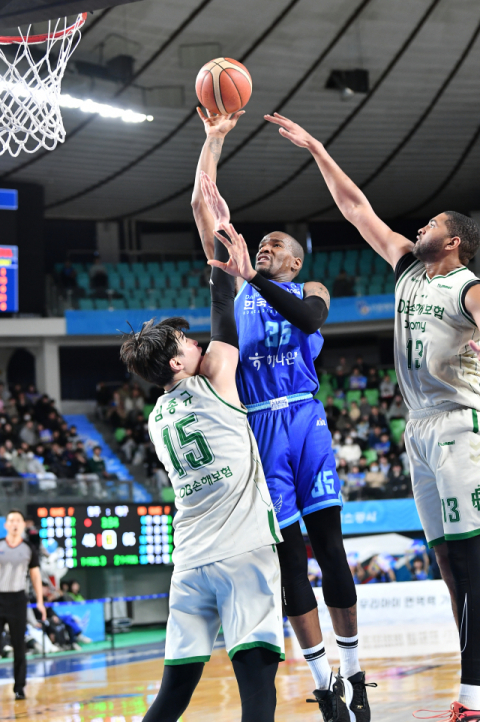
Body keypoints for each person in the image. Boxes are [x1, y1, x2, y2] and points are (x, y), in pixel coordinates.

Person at [266, 109, 480, 718]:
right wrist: (315, 148)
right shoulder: (410, 269)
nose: (421, 225)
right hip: (417, 430)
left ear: (455, 240)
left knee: (469, 559)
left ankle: (473, 696)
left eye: (433, 223)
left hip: (461, 425)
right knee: (446, 564)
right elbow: (356, 207)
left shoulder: (469, 286)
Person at [194, 120, 369, 720]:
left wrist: (255, 275)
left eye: (275, 245)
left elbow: (308, 318)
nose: (263, 246)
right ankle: (325, 687)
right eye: (259, 243)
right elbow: (201, 201)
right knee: (292, 560)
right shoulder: (231, 286)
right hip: (261, 429)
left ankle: (356, 676)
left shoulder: (308, 289)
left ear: (294, 261)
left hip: (305, 419)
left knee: (333, 551)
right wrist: (215, 137)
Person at [119, 216, 284, 722]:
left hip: (189, 561)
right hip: (243, 549)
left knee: (171, 695)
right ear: (176, 364)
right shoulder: (213, 379)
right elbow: (221, 303)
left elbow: (214, 318)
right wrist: (218, 235)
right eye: (188, 344)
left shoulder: (154, 418)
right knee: (256, 685)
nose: (199, 344)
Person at [0, 509, 46, 699]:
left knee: (19, 645)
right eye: (11, 520)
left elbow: (35, 576)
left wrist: (40, 603)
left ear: (22, 525)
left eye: (18, 520)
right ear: (6, 525)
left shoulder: (28, 548)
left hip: (18, 600)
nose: (15, 523)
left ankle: (19, 687)